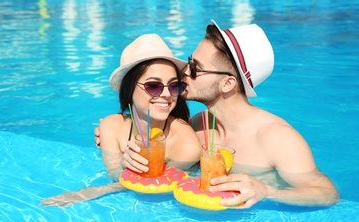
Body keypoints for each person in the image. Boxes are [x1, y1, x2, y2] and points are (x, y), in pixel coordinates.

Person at [109, 20, 340, 208]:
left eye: (196, 68)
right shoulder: (198, 126)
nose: (184, 71)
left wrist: (268, 191)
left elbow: (327, 193)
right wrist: (126, 156)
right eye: (189, 62)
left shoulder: (275, 137)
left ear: (227, 84)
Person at [40, 34, 201, 207]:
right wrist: (123, 167)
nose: (167, 94)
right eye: (154, 86)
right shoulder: (111, 127)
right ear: (130, 88)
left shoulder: (186, 144)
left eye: (174, 86)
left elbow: (159, 186)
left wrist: (93, 192)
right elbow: (112, 172)